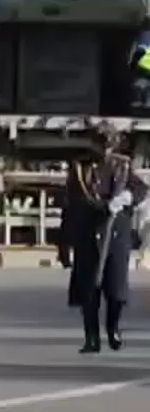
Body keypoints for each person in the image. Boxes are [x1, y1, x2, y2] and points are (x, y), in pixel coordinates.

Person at [62, 125, 146, 353]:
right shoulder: (80, 169)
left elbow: (140, 189)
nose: (105, 149)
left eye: (109, 144)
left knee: (116, 290)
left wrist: (126, 197)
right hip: (88, 234)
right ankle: (91, 338)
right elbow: (70, 205)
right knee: (89, 291)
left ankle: (113, 328)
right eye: (101, 143)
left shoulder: (122, 167)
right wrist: (64, 243)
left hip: (116, 234)